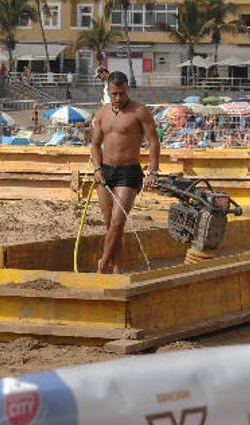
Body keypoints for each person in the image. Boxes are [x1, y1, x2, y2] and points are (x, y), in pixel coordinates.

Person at [91, 71, 160, 274]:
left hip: (129, 171)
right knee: (109, 223)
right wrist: (96, 168)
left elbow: (154, 142)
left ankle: (103, 263)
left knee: (118, 221)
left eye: (121, 93)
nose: (118, 98)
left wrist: (153, 171)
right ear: (109, 92)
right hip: (105, 170)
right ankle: (118, 268)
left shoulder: (140, 111)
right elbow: (95, 144)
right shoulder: (102, 113)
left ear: (127, 88)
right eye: (114, 94)